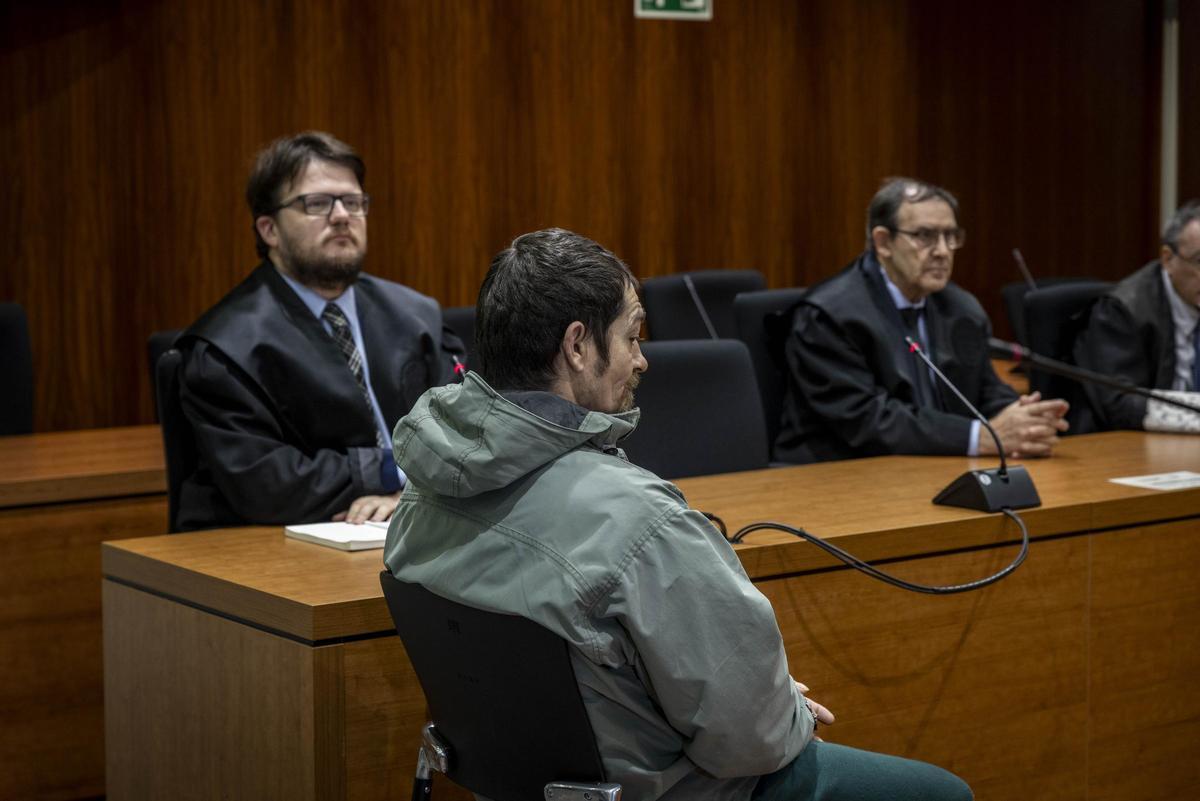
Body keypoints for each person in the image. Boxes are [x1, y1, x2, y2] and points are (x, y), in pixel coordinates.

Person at [383, 228, 973, 801]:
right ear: (578, 346)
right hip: (665, 790)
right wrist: (777, 706)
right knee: (945, 793)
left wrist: (747, 703)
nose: (643, 360)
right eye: (633, 336)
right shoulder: (643, 524)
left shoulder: (423, 491)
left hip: (520, 785)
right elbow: (752, 743)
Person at [176, 131, 464, 530]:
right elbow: (266, 481)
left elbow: (466, 423)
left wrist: (409, 494)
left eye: (353, 201)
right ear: (269, 230)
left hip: (408, 526)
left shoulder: (416, 316)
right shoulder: (225, 348)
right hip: (279, 547)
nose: (343, 215)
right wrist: (396, 472)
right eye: (317, 203)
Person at [774, 178, 1069, 463]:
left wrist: (1022, 420)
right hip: (836, 475)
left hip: (932, 465)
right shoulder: (829, 316)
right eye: (924, 236)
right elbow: (866, 420)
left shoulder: (961, 308)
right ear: (883, 242)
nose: (942, 251)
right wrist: (979, 436)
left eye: (950, 236)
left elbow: (984, 389)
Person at [1073, 201, 1200, 433]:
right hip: (1139, 447)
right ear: (1168, 259)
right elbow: (1120, 404)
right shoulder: (1122, 310)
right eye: (1199, 261)